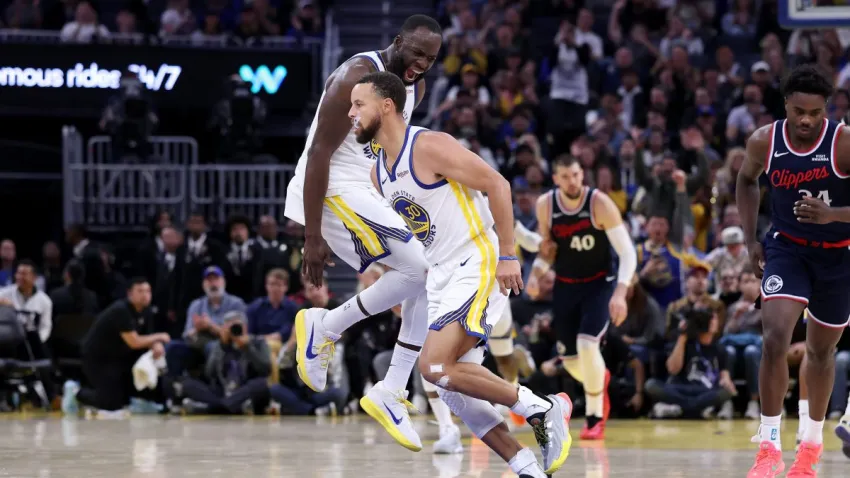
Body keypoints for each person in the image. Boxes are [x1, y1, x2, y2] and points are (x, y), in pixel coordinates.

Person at [357, 71, 572, 476]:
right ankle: (525, 465)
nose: (351, 113)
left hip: (476, 258)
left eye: (358, 104)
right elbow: (418, 235)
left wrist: (508, 253)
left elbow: (497, 184)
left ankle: (541, 407)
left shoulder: (429, 144)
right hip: (441, 272)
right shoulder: (377, 173)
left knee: (433, 366)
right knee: (450, 385)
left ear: (387, 105)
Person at [284, 14, 443, 452]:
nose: (422, 64)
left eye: (431, 58)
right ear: (398, 41)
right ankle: (327, 328)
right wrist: (311, 236)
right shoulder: (356, 75)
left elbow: (387, 155)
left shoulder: (415, 88)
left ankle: (391, 386)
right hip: (331, 185)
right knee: (419, 269)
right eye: (416, 53)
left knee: (424, 275)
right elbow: (318, 154)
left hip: (364, 188)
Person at [737, 64, 850, 477]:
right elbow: (747, 181)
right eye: (798, 110)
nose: (806, 119)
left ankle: (812, 447)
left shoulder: (843, 144)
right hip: (786, 249)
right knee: (774, 337)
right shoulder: (763, 142)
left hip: (838, 254)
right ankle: (768, 449)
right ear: (785, 105)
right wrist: (751, 237)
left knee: (821, 352)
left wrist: (832, 214)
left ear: (827, 110)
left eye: (815, 112)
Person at [526, 155, 638, 440]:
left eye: (576, 175)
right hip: (565, 286)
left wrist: (621, 293)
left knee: (588, 345)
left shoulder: (599, 203)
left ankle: (594, 417)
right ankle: (598, 379)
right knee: (572, 360)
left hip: (599, 285)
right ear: (555, 179)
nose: (572, 181)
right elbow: (548, 251)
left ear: (581, 174)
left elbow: (627, 252)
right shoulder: (546, 206)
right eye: (565, 177)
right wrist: (536, 274)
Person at [62, 278, 170, 416]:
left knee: (124, 398)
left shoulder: (146, 311)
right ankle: (76, 392)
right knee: (111, 403)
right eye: (140, 291)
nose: (145, 295)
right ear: (130, 293)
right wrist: (160, 337)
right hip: (98, 359)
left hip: (120, 357)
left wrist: (157, 345)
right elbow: (134, 342)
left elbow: (148, 335)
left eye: (148, 291)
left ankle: (149, 400)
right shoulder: (121, 310)